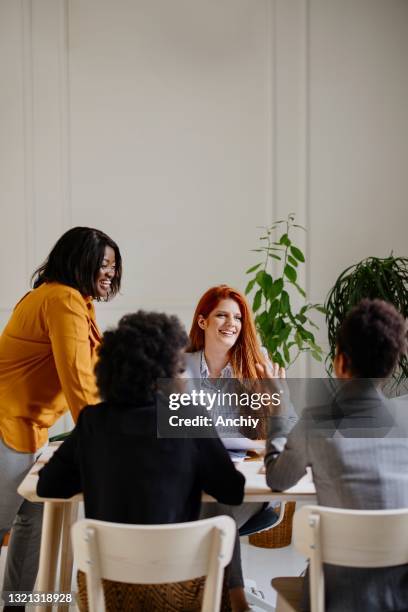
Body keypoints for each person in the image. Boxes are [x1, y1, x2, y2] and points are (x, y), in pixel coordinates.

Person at [37, 311, 245, 609]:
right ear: (168, 369)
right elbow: (232, 491)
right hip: (180, 587)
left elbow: (49, 487)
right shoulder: (188, 417)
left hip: (107, 591)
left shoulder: (93, 421)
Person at [0, 226, 122, 604]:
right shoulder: (62, 300)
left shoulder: (74, 302)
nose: (111, 273)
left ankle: (14, 606)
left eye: (114, 267)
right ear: (79, 261)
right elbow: (79, 383)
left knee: (31, 524)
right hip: (6, 424)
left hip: (29, 430)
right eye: (104, 264)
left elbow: (94, 377)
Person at [265, 299, 408, 612]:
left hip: (333, 601)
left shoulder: (318, 422)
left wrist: (278, 411)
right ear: (392, 364)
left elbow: (278, 479)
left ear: (341, 362)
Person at [185, 284, 287, 612]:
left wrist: (279, 396)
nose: (232, 323)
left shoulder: (257, 364)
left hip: (247, 491)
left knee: (218, 501)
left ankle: (236, 598)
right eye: (222, 315)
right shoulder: (179, 368)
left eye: (238, 318)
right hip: (190, 486)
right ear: (203, 322)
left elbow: (291, 432)